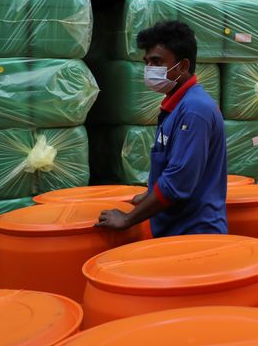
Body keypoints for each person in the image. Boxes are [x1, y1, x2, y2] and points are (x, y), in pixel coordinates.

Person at [96, 21, 228, 237]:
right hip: (175, 230)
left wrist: (128, 219)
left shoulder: (194, 110)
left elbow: (178, 182)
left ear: (183, 66)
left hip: (195, 235)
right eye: (147, 63)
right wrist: (150, 195)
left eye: (157, 62)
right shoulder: (176, 106)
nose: (149, 70)